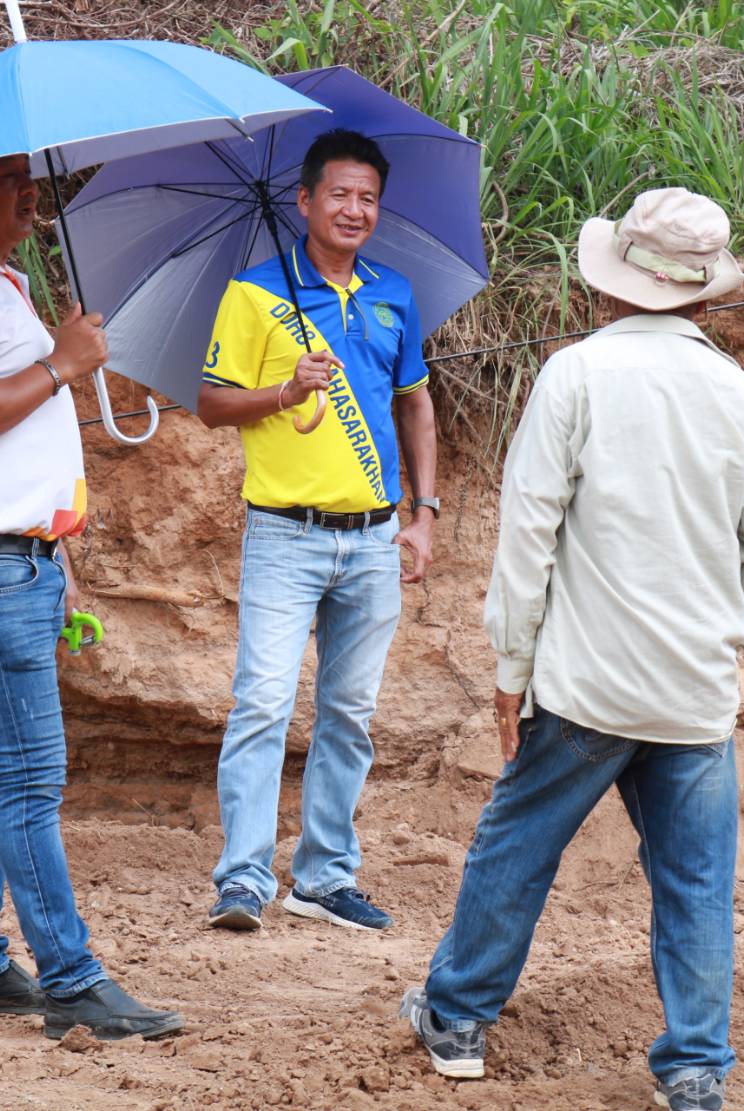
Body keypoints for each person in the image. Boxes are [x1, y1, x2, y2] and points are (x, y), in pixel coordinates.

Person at [400, 188, 744, 1111]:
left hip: (587, 684)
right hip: (693, 692)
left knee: (516, 845)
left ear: (614, 282)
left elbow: (528, 532)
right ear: (700, 289)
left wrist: (512, 667)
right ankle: (695, 1068)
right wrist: (732, 635)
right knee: (696, 883)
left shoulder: (575, 375)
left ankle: (457, 1017)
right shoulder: (742, 395)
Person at [0, 153, 182, 1042]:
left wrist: (54, 560)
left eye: (31, 176)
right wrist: (61, 362)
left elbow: (11, 439)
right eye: (8, 179)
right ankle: (71, 980)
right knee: (26, 777)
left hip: (3, 561)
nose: (31, 192)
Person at [197, 129, 439, 933]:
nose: (354, 209)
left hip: (375, 538)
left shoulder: (393, 292)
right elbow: (210, 403)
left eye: (368, 197)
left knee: (350, 714)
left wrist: (425, 514)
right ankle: (243, 879)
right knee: (263, 704)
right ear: (304, 201)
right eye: (339, 193)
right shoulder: (254, 292)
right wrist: (284, 389)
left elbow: (415, 402)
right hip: (284, 535)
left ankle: (325, 877)